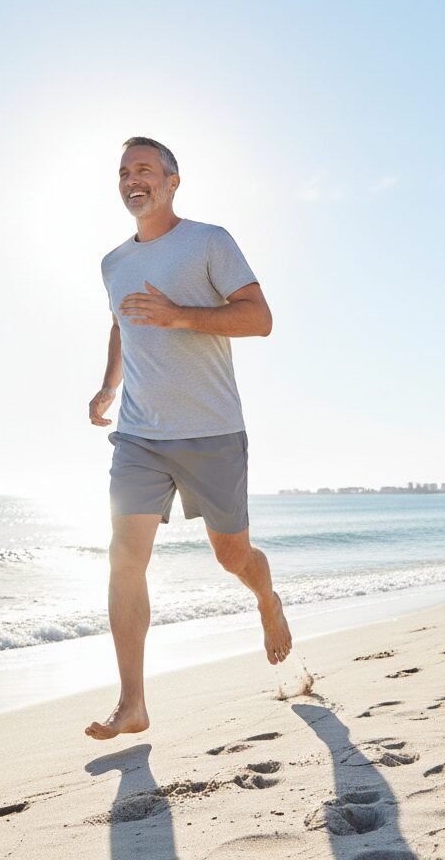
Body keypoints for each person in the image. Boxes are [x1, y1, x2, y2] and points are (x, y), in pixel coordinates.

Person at [85, 136, 292, 741]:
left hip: (212, 431)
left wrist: (182, 314)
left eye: (144, 169)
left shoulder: (209, 241)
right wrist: (107, 388)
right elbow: (123, 324)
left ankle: (267, 599)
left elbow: (259, 319)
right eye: (124, 171)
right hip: (140, 436)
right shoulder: (113, 263)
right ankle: (133, 703)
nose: (132, 179)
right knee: (124, 560)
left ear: (173, 181)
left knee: (232, 556)